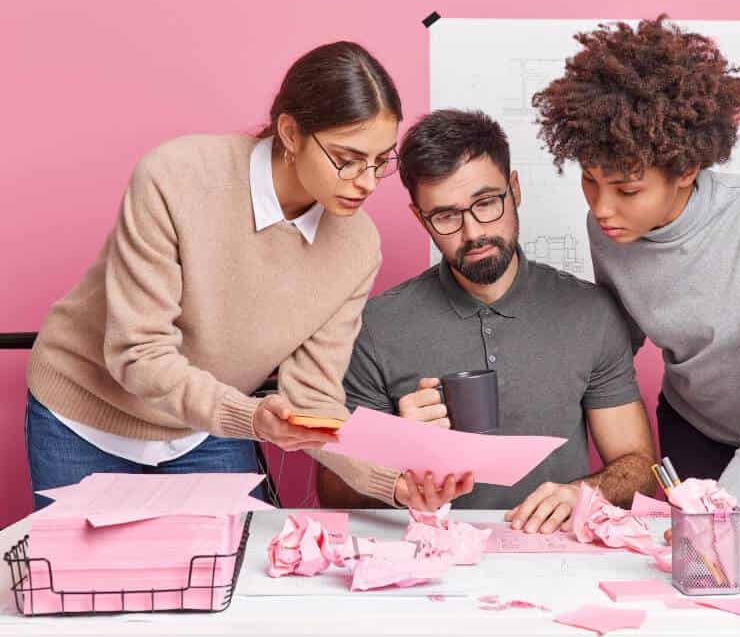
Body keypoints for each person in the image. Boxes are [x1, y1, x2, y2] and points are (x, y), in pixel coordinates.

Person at [25, 41, 435, 510]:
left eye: (381, 161)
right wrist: (252, 417)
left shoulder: (357, 245)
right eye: (347, 158)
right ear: (289, 132)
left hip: (205, 427)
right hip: (84, 413)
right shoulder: (176, 178)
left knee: (235, 576)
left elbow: (313, 400)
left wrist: (394, 484)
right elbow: (138, 354)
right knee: (82, 583)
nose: (365, 180)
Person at [532, 16, 740, 518]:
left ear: (685, 170)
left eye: (627, 189)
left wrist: (724, 508)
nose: (601, 207)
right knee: (693, 578)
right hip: (692, 431)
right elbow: (620, 342)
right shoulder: (611, 226)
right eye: (590, 181)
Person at [317, 109, 657, 534]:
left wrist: (585, 493)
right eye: (445, 216)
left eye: (486, 203)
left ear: (514, 189)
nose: (473, 232)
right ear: (419, 217)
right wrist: (396, 445)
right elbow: (331, 492)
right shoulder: (374, 326)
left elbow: (641, 469)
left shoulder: (590, 312)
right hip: (428, 559)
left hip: (553, 553)